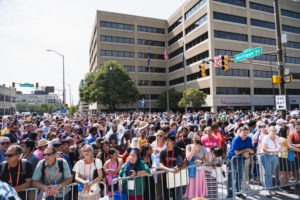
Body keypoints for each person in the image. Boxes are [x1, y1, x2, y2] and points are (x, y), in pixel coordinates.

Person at [227, 126, 254, 200]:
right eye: (244, 133)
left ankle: (238, 192)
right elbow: (236, 152)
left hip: (242, 160)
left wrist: (247, 151)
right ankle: (229, 194)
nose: (245, 134)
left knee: (240, 177)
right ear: (240, 132)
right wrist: (246, 150)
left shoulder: (249, 138)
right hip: (233, 160)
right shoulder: (236, 139)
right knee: (231, 177)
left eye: (247, 133)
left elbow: (252, 151)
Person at [160, 133, 184, 200]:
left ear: (173, 141)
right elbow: (161, 165)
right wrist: (169, 170)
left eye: (168, 141)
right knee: (165, 196)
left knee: (176, 196)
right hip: (166, 176)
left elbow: (183, 162)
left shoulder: (178, 150)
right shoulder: (163, 152)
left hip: (176, 175)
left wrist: (179, 168)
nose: (166, 142)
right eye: (165, 141)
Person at [185, 132, 208, 199]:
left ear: (200, 138)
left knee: (199, 186)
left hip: (200, 172)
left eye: (197, 138)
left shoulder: (203, 148)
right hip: (192, 171)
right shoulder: (188, 146)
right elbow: (188, 158)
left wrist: (201, 162)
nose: (195, 140)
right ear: (192, 139)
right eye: (194, 138)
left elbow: (207, 161)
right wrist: (193, 149)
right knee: (192, 187)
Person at [260, 126, 281, 197]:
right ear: (269, 131)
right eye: (272, 131)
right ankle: (268, 189)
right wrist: (275, 151)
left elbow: (278, 145)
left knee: (271, 172)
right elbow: (264, 149)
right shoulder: (266, 138)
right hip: (266, 156)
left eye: (275, 131)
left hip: (275, 156)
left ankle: (270, 188)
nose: (274, 132)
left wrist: (279, 149)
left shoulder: (277, 138)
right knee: (268, 172)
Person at [278, 126, 300, 192]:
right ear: (284, 131)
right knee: (283, 172)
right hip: (282, 157)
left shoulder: (287, 137)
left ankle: (286, 185)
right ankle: (282, 186)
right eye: (288, 130)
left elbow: (292, 145)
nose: (289, 131)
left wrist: (297, 145)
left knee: (287, 172)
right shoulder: (282, 139)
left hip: (288, 157)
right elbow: (291, 147)